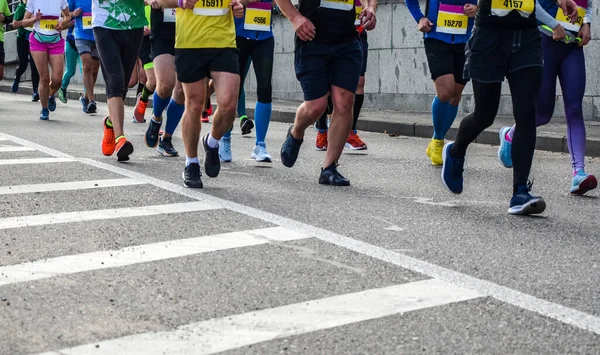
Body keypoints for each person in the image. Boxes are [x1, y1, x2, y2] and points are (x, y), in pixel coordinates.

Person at [441, 0, 579, 215]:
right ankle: (456, 151)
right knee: (485, 114)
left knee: (526, 113)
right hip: (489, 36)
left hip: (527, 38)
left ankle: (520, 191)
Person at [498, 0, 596, 195]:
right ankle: (510, 135)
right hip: (545, 39)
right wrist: (554, 24)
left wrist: (587, 23)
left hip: (572, 45)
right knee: (542, 113)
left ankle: (579, 172)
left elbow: (589, 3)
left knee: (575, 108)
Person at [275, 0, 377, 186]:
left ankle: (329, 168)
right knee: (317, 106)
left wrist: (370, 7)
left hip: (347, 40)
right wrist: (295, 17)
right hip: (312, 38)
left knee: (345, 101)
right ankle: (296, 131)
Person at [158, 0, 244, 188]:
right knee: (194, 104)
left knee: (229, 105)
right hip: (190, 44)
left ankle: (212, 142)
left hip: (224, 43)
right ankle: (191, 163)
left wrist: (239, 5)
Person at [407, 0, 477, 166]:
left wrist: (478, 9)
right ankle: (438, 140)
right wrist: (420, 18)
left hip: (465, 40)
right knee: (445, 92)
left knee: (455, 96)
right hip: (436, 38)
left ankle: (436, 140)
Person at [218, 0, 275, 165]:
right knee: (232, 90)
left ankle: (260, 145)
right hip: (238, 35)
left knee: (265, 89)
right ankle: (225, 140)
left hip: (264, 35)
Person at [95, 0, 147, 162]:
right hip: (105, 24)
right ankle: (120, 139)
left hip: (134, 24)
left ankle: (110, 123)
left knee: (123, 84)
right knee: (115, 81)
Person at [314, 2, 370, 152]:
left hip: (357, 32)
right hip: (330, 30)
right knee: (325, 85)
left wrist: (370, 8)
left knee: (359, 82)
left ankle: (351, 133)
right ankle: (322, 130)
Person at [143, 0, 185, 157]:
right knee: (166, 84)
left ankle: (166, 139)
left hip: (189, 33)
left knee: (181, 92)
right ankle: (156, 117)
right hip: (162, 33)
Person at [23, 0, 71, 120]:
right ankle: (44, 109)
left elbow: (68, 16)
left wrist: (62, 23)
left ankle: (50, 96)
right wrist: (34, 19)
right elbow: (24, 22)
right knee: (44, 78)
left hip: (55, 40)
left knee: (57, 79)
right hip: (38, 40)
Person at [69, 0, 99, 113]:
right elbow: (65, 13)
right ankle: (91, 100)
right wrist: (73, 14)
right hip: (81, 36)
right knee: (87, 66)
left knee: (95, 70)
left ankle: (85, 97)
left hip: (98, 35)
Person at [11, 0, 41, 102]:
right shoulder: (21, 8)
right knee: (23, 64)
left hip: (35, 39)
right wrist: (28, 21)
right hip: (23, 39)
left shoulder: (38, 7)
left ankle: (35, 91)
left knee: (35, 66)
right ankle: (17, 77)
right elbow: (14, 24)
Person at [133, 3, 156, 123]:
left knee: (165, 82)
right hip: (145, 38)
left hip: (164, 36)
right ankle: (142, 101)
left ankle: (156, 117)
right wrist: (139, 25)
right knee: (152, 81)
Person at [57, 25, 81, 104]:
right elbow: (63, 23)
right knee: (70, 71)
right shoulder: (71, 12)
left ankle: (87, 99)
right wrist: (73, 16)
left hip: (85, 41)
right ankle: (62, 88)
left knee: (84, 70)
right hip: (71, 41)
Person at [0, 0, 10, 82]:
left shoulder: (3, 1)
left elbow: (9, 18)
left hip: (0, 38)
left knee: (0, 73)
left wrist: (4, 18)